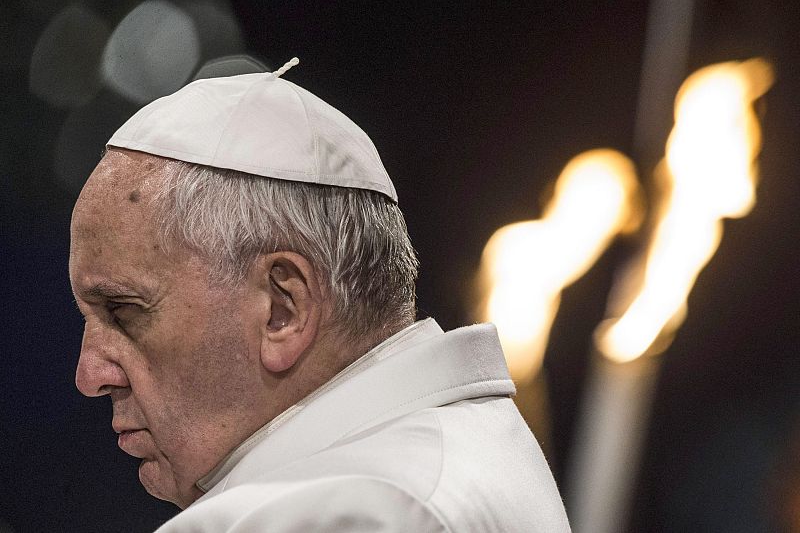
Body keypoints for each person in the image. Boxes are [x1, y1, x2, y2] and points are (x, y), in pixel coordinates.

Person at [69, 58, 571, 532]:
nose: (89, 376)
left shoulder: (340, 513)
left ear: (283, 309)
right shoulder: (452, 450)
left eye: (123, 310)